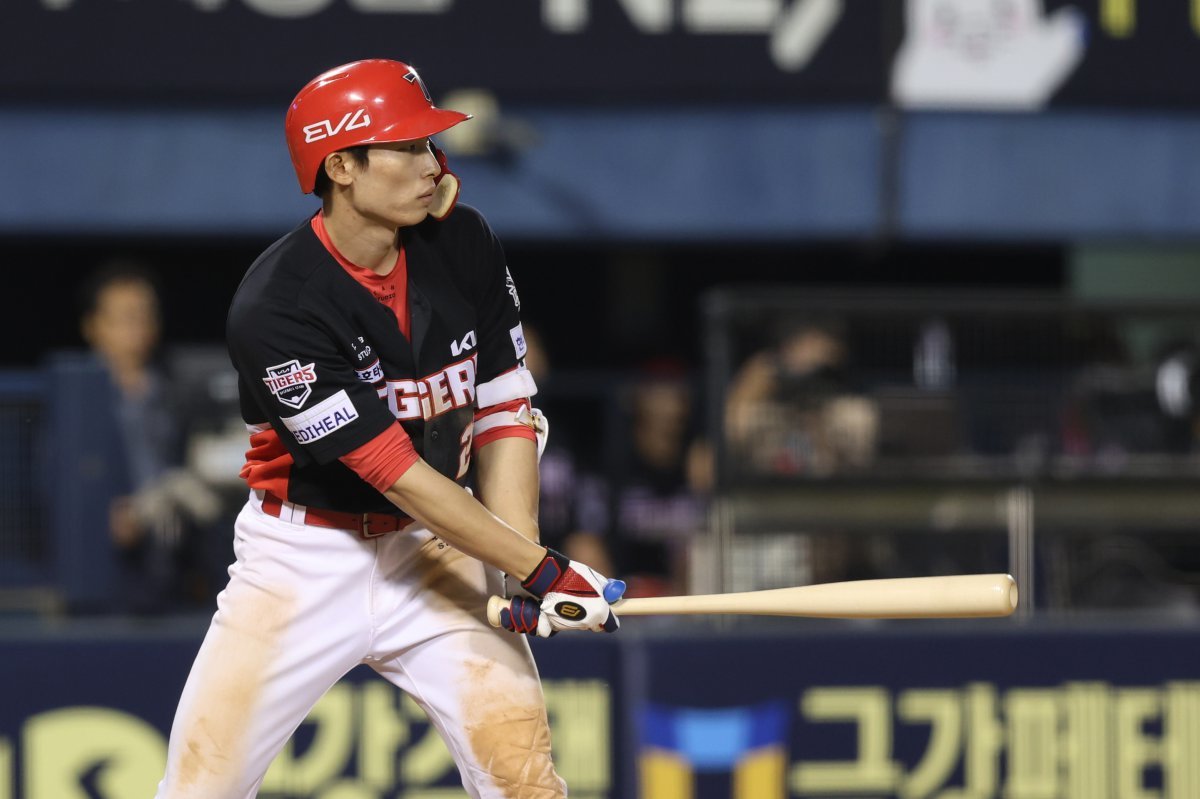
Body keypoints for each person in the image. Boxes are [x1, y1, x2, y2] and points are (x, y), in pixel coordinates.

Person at [155, 59, 624, 798]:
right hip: (305, 559)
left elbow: (503, 411)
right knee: (198, 790)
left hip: (439, 550)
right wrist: (541, 569)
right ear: (340, 166)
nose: (433, 163)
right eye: (406, 147)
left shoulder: (463, 241)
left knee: (526, 784)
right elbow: (394, 472)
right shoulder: (276, 305)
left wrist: (517, 561)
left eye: (430, 143)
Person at [75, 259, 223, 614]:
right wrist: (102, 517)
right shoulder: (76, 401)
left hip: (181, 567)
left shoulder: (177, 391)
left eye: (145, 315)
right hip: (105, 576)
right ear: (93, 326)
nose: (138, 327)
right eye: (126, 317)